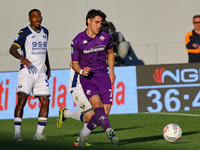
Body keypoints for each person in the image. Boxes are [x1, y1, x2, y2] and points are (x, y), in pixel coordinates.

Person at [71, 9, 118, 147]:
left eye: (101, 23)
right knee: (97, 105)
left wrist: (111, 72)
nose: (99, 26)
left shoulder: (106, 37)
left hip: (103, 76)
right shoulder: (77, 40)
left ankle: (83, 135)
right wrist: (81, 71)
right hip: (88, 78)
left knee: (105, 112)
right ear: (89, 21)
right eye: (97, 22)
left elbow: (110, 53)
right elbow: (74, 64)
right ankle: (109, 130)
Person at [9, 9, 51, 141]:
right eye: (34, 17)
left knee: (45, 101)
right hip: (27, 72)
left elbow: (44, 50)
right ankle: (17, 134)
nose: (37, 19)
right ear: (30, 19)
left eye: (39, 16)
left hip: (40, 73)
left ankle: (38, 134)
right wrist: (23, 59)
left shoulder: (45, 32)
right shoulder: (24, 32)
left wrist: (48, 67)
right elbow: (12, 49)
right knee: (22, 101)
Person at [56, 61, 94, 147]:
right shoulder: (81, 48)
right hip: (78, 87)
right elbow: (72, 63)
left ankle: (80, 140)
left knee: (96, 114)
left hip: (89, 86)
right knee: (92, 117)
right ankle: (66, 113)